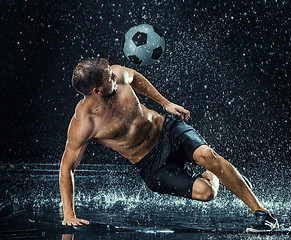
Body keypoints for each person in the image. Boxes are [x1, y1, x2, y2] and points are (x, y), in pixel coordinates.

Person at [59, 58, 279, 233]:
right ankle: (218, 174)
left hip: (168, 131)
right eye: (109, 79)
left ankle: (263, 213)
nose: (114, 76)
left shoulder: (118, 75)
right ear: (96, 90)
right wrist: (69, 213)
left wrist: (165, 103)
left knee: (208, 156)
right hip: (151, 164)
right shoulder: (84, 124)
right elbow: (67, 168)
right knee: (206, 192)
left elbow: (135, 77)